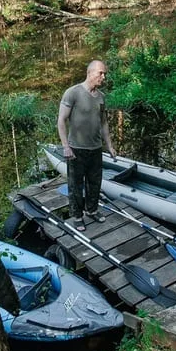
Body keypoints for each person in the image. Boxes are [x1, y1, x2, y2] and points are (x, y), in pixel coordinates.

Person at [58, 60, 116, 232]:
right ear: (90, 72)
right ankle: (77, 216)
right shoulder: (73, 93)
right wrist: (65, 146)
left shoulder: (101, 97)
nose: (103, 77)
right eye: (101, 73)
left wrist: (109, 146)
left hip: (95, 148)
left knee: (95, 183)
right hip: (76, 149)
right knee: (75, 185)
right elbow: (61, 120)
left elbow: (104, 122)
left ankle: (91, 210)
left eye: (104, 73)